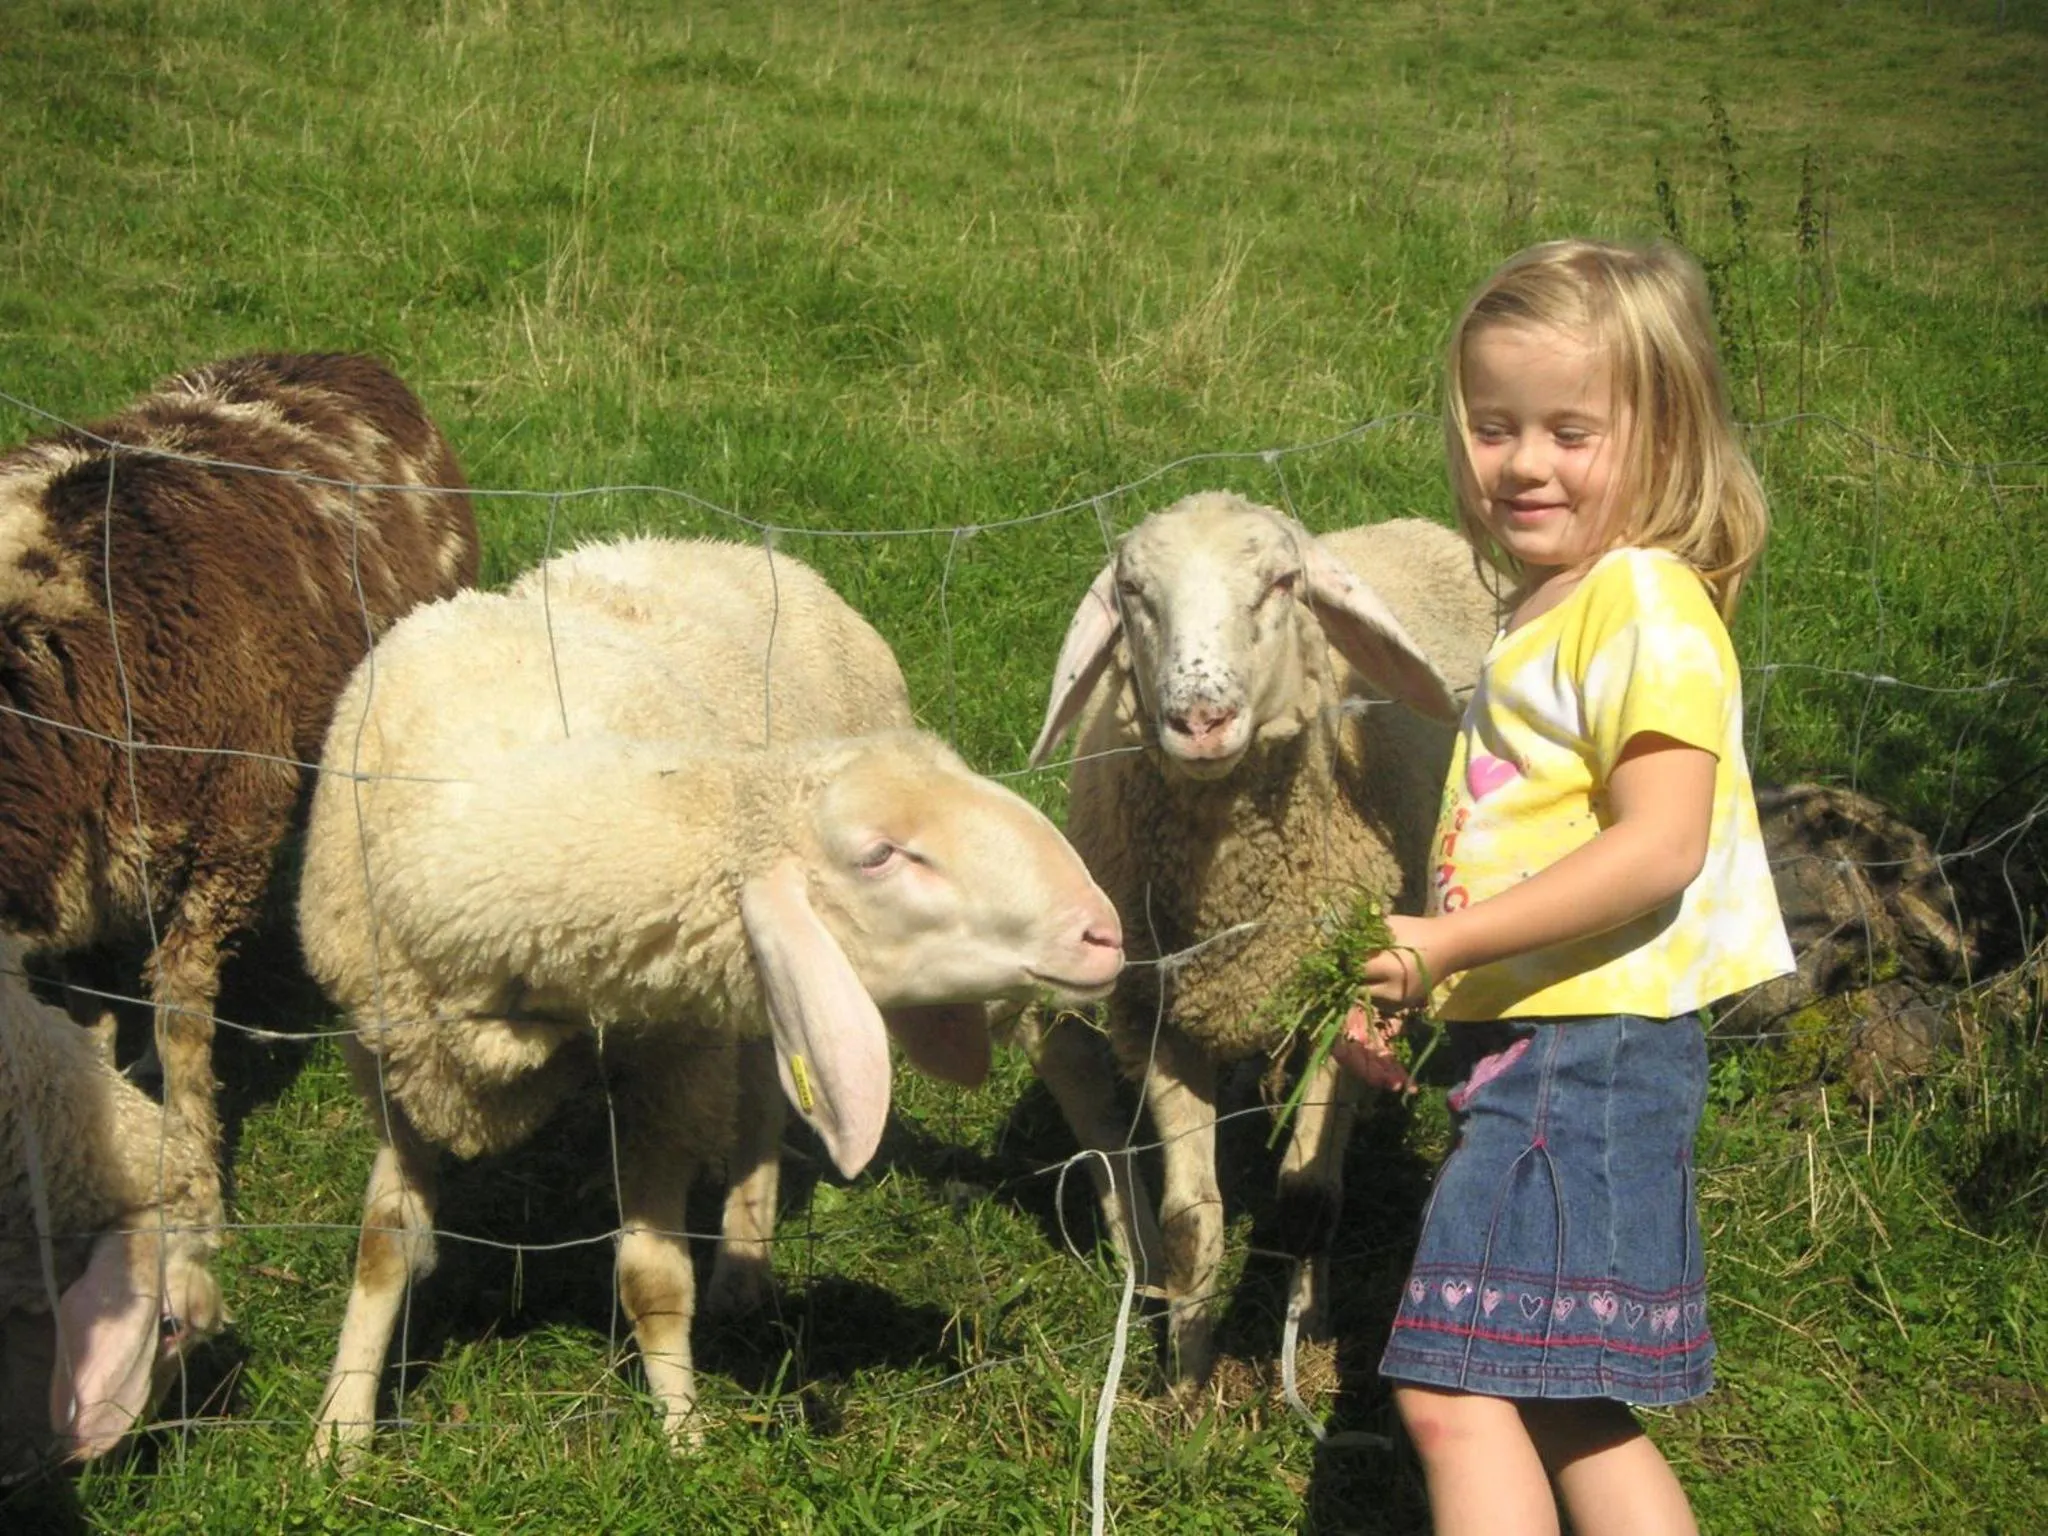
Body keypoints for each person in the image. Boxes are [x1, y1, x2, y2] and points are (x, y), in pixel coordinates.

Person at [1334, 238, 1794, 1536]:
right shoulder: (1552, 605)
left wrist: (1437, 943)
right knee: (1561, 1400)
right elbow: (1524, 846)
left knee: (1452, 1393)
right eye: (1493, 427)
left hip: (1588, 1065)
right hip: (1545, 1051)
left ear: (1666, 433)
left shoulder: (1643, 605)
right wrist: (1431, 990)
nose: (1523, 462)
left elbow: (1658, 846)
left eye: (1570, 431)